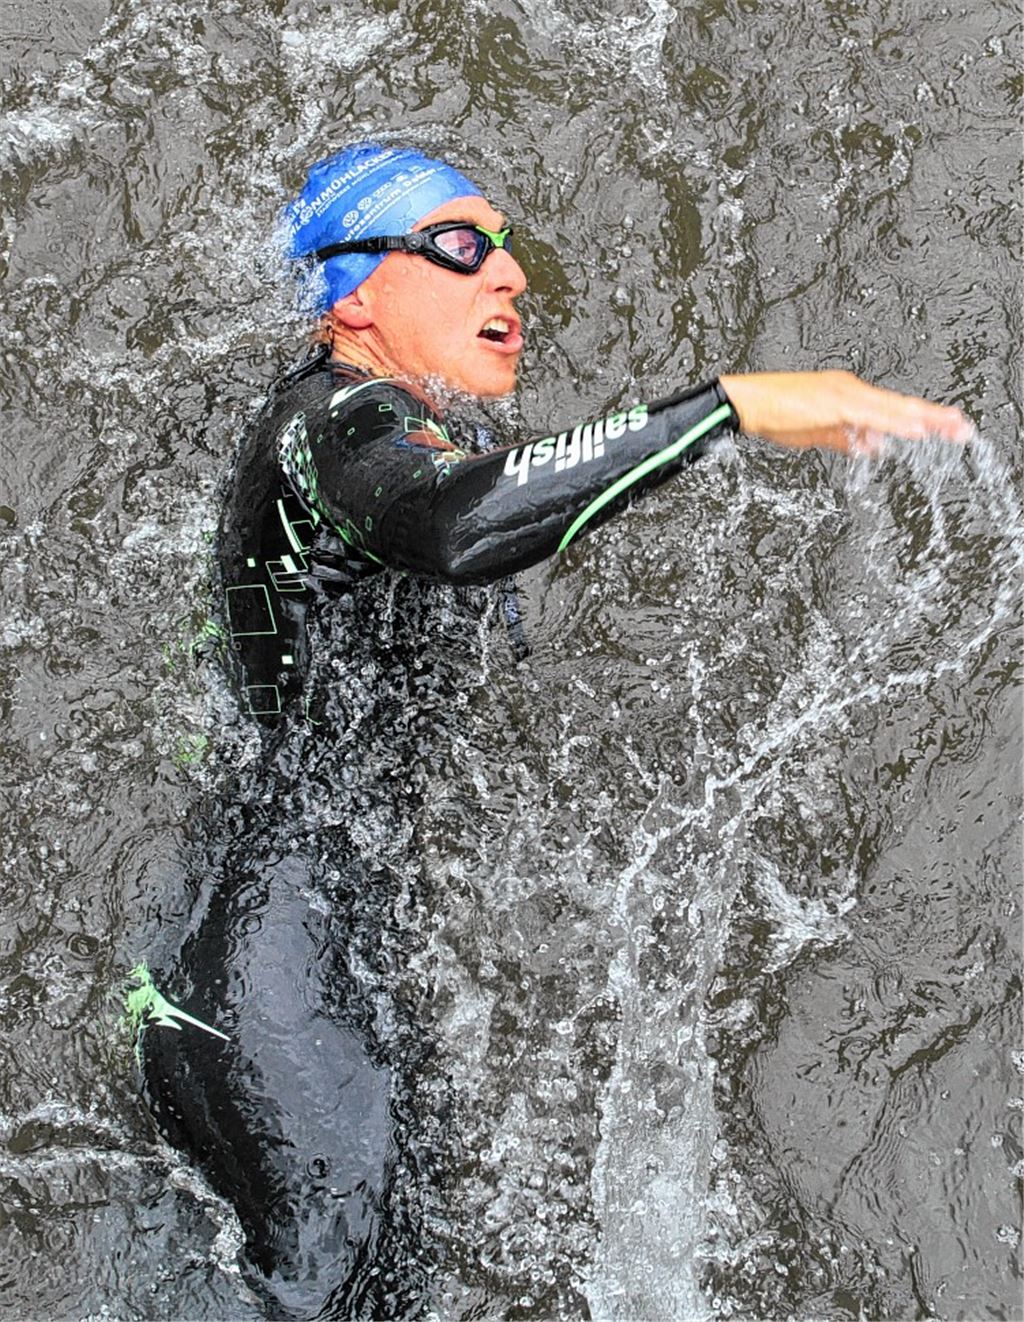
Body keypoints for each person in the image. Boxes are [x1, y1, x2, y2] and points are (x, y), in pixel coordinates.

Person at [140, 143, 972, 1319]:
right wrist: (726, 406)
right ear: (355, 293)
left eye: (507, 246)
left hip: (270, 957)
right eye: (460, 246)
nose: (512, 275)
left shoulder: (351, 435)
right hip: (266, 985)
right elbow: (455, 524)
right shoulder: (336, 423)